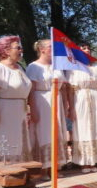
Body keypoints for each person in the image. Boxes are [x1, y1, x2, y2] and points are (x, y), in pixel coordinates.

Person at [0, 35, 33, 164]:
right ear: (6, 51)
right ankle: (2, 171)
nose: (21, 50)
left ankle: (20, 172)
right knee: (5, 141)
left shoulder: (20, 68)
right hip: (4, 111)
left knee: (19, 141)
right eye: (18, 48)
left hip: (19, 112)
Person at [26, 40, 69, 173]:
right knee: (43, 132)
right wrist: (33, 109)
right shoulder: (33, 67)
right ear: (42, 49)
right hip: (42, 100)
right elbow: (31, 90)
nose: (53, 49)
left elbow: (63, 88)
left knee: (57, 131)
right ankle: (43, 167)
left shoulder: (57, 66)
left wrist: (66, 104)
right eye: (50, 47)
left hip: (57, 100)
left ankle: (55, 166)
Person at [68, 44, 97, 173]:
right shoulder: (73, 66)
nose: (87, 50)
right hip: (80, 99)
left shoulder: (96, 67)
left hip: (95, 99)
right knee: (82, 128)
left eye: (88, 48)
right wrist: (71, 108)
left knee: (96, 128)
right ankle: (84, 162)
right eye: (83, 48)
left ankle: (94, 161)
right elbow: (70, 90)